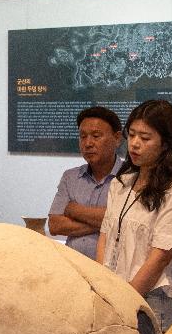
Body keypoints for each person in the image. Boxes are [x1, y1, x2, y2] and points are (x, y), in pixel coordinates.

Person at [95, 100, 172, 334]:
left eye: (145, 138)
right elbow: (105, 237)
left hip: (151, 302)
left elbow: (160, 256)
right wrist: (100, 287)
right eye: (132, 135)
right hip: (112, 297)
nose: (135, 144)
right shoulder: (121, 183)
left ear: (165, 143)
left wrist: (126, 301)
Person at [48, 106, 124, 259]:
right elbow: (55, 225)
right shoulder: (70, 177)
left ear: (117, 138)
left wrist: (74, 210)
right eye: (83, 136)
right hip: (73, 271)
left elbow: (126, 222)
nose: (88, 143)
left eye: (96, 136)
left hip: (113, 275)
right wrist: (108, 223)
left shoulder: (130, 177)